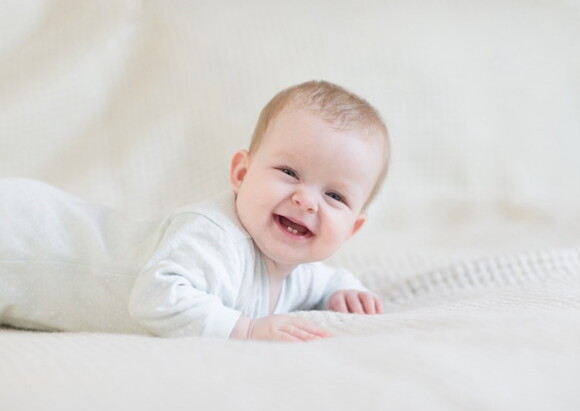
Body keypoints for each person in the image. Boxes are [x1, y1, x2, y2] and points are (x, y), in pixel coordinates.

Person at [0, 80, 390, 342]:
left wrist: (346, 291)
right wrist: (246, 329)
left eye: (335, 196)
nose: (306, 200)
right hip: (24, 236)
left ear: (352, 229)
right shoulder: (215, 235)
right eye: (289, 172)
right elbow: (156, 296)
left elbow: (322, 280)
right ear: (241, 172)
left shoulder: (295, 268)